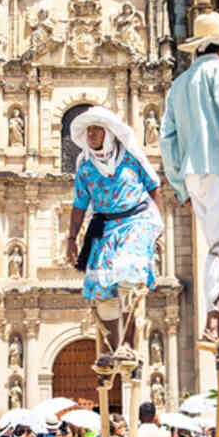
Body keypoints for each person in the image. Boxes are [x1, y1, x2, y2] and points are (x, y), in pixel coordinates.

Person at [159, 11, 219, 341]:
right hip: (217, 168)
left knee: (215, 242)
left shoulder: (179, 85)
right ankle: (218, 322)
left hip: (191, 176)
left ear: (196, 49)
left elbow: (166, 139)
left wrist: (179, 187)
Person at [63, 106, 164, 369]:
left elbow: (154, 185)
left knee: (127, 275)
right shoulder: (85, 166)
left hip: (137, 219)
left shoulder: (131, 156)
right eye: (88, 130)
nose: (92, 134)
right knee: (102, 289)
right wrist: (72, 238)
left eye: (97, 129)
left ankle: (129, 346)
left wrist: (158, 223)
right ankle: (111, 349)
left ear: (109, 133)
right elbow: (79, 203)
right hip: (105, 227)